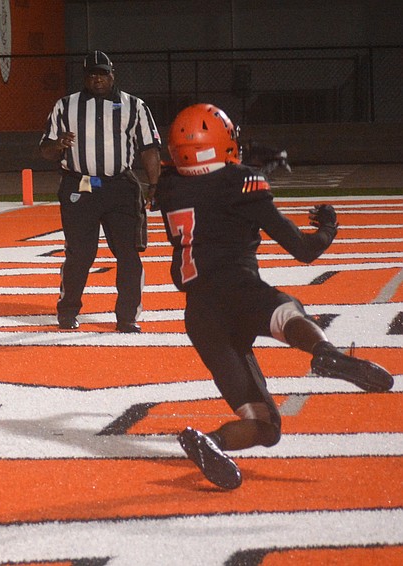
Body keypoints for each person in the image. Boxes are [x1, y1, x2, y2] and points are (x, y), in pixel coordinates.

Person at [155, 103, 394, 490]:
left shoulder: (168, 186)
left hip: (200, 313)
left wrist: (250, 169)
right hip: (238, 291)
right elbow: (303, 249)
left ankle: (211, 443)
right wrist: (328, 227)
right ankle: (325, 354)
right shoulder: (243, 183)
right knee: (287, 311)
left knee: (265, 426)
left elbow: (209, 186)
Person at [39, 50, 162, 332]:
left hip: (119, 185)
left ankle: (127, 316)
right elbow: (45, 150)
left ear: (112, 74)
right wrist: (58, 144)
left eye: (102, 73)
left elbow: (149, 149)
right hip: (80, 183)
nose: (97, 79)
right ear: (85, 77)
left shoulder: (135, 106)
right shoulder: (65, 106)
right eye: (92, 74)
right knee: (80, 253)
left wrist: (154, 184)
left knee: (129, 253)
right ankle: (68, 310)